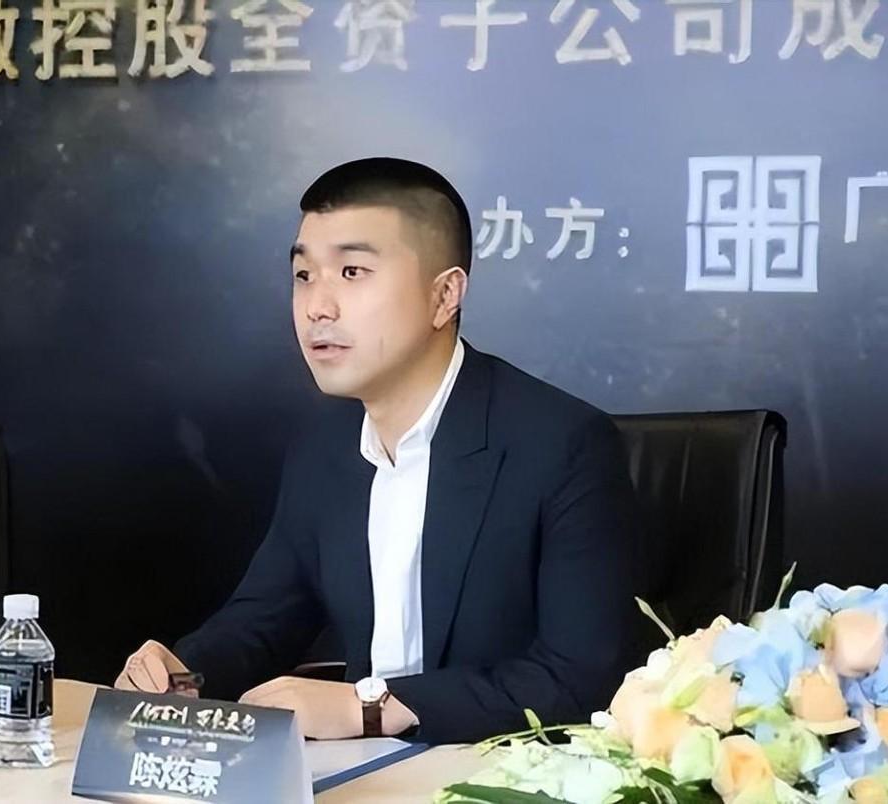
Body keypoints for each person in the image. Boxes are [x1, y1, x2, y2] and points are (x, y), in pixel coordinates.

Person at [114, 158, 640, 745]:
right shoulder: (325, 445)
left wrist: (373, 708)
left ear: (444, 295)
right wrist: (184, 674)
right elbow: (264, 618)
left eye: (352, 272)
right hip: (360, 772)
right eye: (304, 275)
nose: (317, 307)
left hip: (498, 769)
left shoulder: (563, 444)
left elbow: (580, 679)